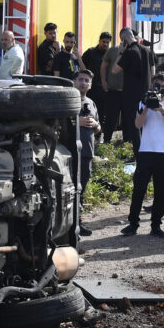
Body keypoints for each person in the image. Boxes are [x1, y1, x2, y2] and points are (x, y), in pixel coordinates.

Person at [120, 85, 164, 238]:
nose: (158, 91)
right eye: (156, 86)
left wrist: (162, 110)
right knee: (138, 190)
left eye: (162, 86)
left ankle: (156, 225)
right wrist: (146, 106)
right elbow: (137, 125)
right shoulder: (143, 102)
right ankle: (133, 224)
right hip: (146, 151)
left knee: (161, 191)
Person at [110, 28, 151, 151]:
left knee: (135, 126)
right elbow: (152, 72)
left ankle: (138, 154)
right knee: (144, 125)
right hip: (145, 94)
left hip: (131, 95)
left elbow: (114, 70)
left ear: (123, 40)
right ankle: (146, 151)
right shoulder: (147, 50)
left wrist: (121, 52)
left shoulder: (129, 52)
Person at [74, 69, 101, 236]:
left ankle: (78, 223)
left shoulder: (91, 103)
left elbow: (99, 128)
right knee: (71, 191)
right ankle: (69, 225)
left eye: (86, 80)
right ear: (74, 81)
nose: (83, 82)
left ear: (90, 85)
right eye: (81, 79)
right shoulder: (68, 100)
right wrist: (78, 122)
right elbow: (58, 125)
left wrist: (94, 125)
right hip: (71, 154)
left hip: (87, 154)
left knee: (81, 190)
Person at [82, 32, 112, 134]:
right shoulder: (90, 52)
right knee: (91, 111)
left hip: (104, 88)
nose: (105, 44)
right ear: (99, 41)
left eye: (107, 42)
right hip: (91, 88)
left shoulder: (110, 54)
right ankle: (90, 132)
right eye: (103, 42)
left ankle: (99, 134)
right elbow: (81, 66)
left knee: (103, 112)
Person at [99, 32, 124, 140]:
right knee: (111, 117)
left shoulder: (133, 51)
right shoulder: (113, 50)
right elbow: (103, 66)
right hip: (113, 90)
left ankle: (127, 141)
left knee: (127, 118)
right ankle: (107, 140)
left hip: (127, 91)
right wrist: (104, 81)